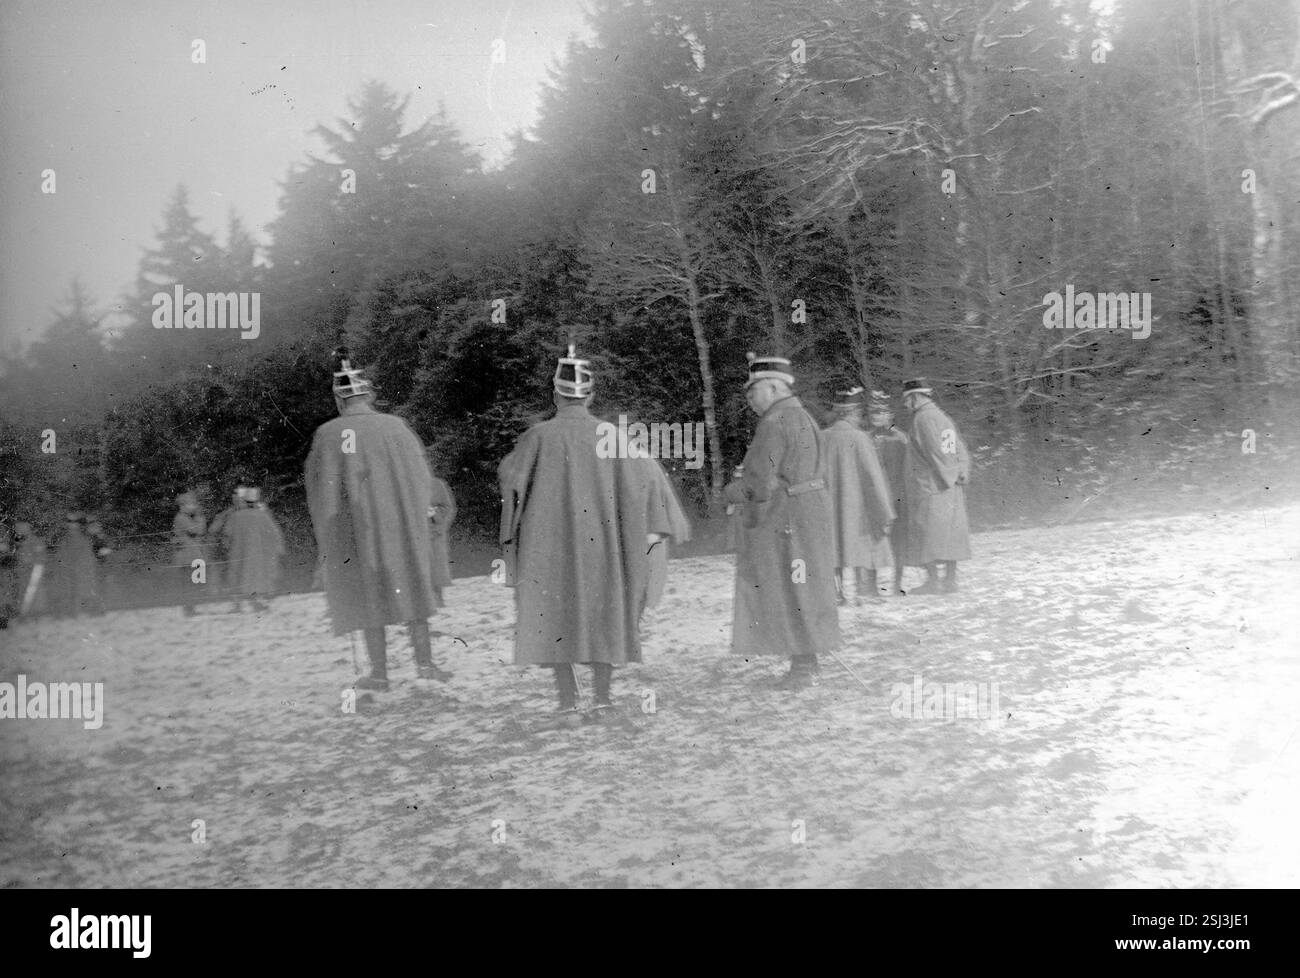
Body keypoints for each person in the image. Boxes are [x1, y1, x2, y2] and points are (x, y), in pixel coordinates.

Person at [498, 345, 680, 719]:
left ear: (555, 395)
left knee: (552, 613)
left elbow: (511, 485)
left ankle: (567, 699)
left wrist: (510, 541)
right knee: (604, 613)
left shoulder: (537, 437)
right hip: (603, 548)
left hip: (548, 550)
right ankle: (602, 698)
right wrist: (651, 531)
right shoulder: (612, 436)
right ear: (591, 396)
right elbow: (647, 482)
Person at [305, 348, 449, 690]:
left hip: (357, 534)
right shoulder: (396, 427)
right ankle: (426, 665)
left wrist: (329, 540)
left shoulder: (327, 435)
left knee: (368, 597)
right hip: (402, 530)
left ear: (340, 400)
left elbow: (321, 495)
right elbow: (422, 481)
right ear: (368, 395)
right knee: (412, 588)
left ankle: (380, 673)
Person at [724, 353, 840, 689]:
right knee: (806, 586)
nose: (749, 400)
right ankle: (808, 660)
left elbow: (758, 483)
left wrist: (733, 491)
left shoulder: (774, 423)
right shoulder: (804, 417)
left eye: (753, 391)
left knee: (788, 587)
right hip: (810, 512)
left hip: (787, 518)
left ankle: (803, 666)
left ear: (773, 387)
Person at [821, 386, 896, 605]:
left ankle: (843, 594)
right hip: (858, 508)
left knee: (836, 547)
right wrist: (884, 509)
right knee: (866, 545)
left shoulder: (822, 437)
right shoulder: (860, 438)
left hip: (829, 505)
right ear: (853, 413)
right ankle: (870, 593)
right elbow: (873, 478)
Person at [900, 378, 972, 594]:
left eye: (906, 399)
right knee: (950, 534)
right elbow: (957, 448)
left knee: (929, 532)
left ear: (915, 397)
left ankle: (934, 582)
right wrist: (960, 472)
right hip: (948, 485)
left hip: (932, 486)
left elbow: (937, 452)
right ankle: (949, 581)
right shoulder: (941, 416)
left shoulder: (923, 418)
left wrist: (947, 475)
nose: (905, 405)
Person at [867, 390, 910, 596]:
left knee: (897, 541)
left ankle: (896, 583)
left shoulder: (900, 438)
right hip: (874, 499)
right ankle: (871, 585)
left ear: (890, 414)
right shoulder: (866, 439)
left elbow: (907, 469)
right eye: (874, 413)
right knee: (874, 541)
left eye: (882, 412)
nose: (877, 417)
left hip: (897, 497)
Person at [223, 487, 285, 613]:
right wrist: (277, 549)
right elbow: (274, 533)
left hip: (237, 552)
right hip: (257, 553)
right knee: (254, 577)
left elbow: (227, 534)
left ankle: (237, 605)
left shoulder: (235, 516)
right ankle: (255, 602)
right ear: (256, 501)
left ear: (244, 501)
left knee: (237, 576)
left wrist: (227, 548)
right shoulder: (263, 516)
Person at [55, 512, 105, 617]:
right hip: (73, 567)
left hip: (83, 567)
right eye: (69, 522)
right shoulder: (66, 537)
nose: (71, 524)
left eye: (74, 522)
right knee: (74, 590)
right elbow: (63, 553)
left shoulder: (84, 536)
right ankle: (74, 612)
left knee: (87, 589)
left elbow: (87, 551)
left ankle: (94, 611)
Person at [172, 492, 208, 617]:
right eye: (191, 504)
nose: (194, 506)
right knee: (190, 583)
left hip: (189, 556)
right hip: (187, 556)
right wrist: (200, 516)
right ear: (183, 505)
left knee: (192, 583)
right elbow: (198, 530)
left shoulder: (184, 517)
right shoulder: (182, 518)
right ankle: (189, 609)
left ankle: (190, 608)